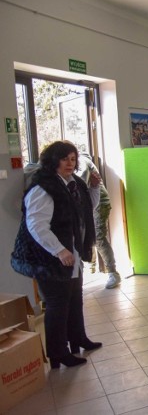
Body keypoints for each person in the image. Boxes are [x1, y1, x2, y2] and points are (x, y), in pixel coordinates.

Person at [11, 141, 102, 369]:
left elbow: (87, 208)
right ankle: (58, 354)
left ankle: (78, 338)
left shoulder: (74, 183)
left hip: (71, 254)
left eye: (73, 159)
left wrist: (94, 188)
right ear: (54, 161)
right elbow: (36, 225)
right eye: (65, 159)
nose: (70, 164)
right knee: (57, 305)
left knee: (74, 298)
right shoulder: (43, 188)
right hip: (48, 258)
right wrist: (59, 250)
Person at [76, 153, 122, 289]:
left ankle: (113, 273)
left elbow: (81, 181)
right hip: (88, 202)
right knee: (89, 235)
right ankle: (93, 267)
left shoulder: (81, 161)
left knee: (98, 237)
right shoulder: (80, 161)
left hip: (98, 203)